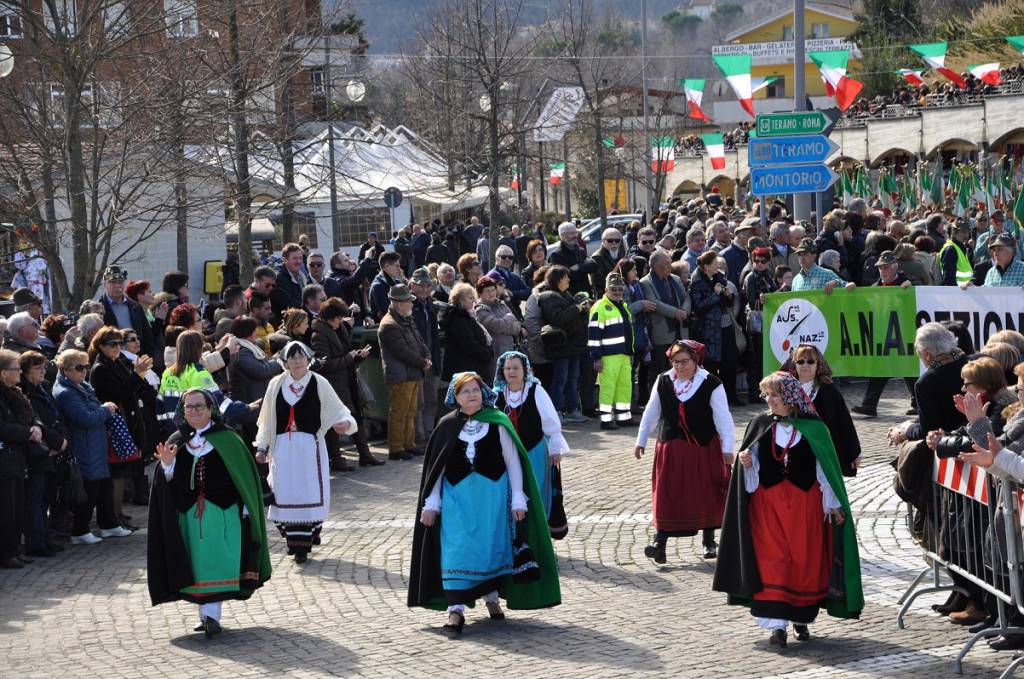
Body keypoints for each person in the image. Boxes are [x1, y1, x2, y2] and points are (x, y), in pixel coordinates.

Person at [714, 371, 863, 649]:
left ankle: (800, 618)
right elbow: (752, 471)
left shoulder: (815, 428)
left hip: (804, 509)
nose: (770, 400)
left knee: (802, 562)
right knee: (773, 562)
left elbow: (824, 470)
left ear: (791, 398)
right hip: (767, 507)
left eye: (775, 395)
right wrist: (747, 462)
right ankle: (777, 626)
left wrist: (832, 504)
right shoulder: (760, 424)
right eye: (767, 395)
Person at [407, 372, 561, 638]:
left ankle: (491, 597)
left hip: (492, 501)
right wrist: (431, 503)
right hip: (457, 501)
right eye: (465, 391)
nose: (472, 395)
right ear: (455, 396)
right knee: (457, 550)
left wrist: (518, 497)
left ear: (484, 393)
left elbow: (513, 460)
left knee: (490, 548)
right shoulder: (446, 426)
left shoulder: (497, 421)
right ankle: (455, 609)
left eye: (476, 390)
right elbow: (437, 468)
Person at [147, 388, 272, 638]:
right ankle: (205, 614)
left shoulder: (229, 439)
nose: (193, 411)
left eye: (198, 406)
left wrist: (248, 507)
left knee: (218, 563)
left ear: (210, 409)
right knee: (196, 566)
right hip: (189, 516)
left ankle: (212, 615)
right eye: (188, 407)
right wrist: (167, 465)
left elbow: (244, 478)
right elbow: (169, 484)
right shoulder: (176, 440)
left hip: (223, 515)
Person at [925, 356, 1016, 626]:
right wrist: (942, 438)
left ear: (984, 384)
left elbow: (982, 443)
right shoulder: (983, 407)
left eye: (968, 384)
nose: (964, 389)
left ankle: (997, 612)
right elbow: (961, 434)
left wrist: (945, 443)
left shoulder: (1002, 410)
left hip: (996, 500)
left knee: (997, 557)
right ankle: (983, 604)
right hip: (979, 500)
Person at [254, 342, 355, 563]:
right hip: (282, 449)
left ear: (308, 359)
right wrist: (262, 447)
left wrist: (346, 424)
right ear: (285, 361)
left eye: (301, 357)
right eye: (292, 358)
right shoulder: (276, 384)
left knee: (309, 492)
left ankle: (304, 542)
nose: (297, 361)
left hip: (310, 447)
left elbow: (340, 410)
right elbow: (266, 421)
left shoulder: (319, 382)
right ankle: (295, 541)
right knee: (283, 493)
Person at [635, 340, 734, 563]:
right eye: (675, 362)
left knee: (706, 491)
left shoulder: (711, 383)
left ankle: (709, 541)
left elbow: (723, 418)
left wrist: (728, 449)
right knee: (667, 494)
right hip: (671, 449)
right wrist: (641, 440)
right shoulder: (663, 381)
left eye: (684, 362)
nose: (679, 367)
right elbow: (651, 412)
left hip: (703, 448)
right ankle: (659, 543)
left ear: (696, 361)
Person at [52, 349, 131, 545]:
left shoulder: (83, 387)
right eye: (79, 367)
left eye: (85, 366)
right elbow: (85, 418)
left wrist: (102, 410)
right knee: (89, 488)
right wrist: (105, 410)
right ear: (66, 369)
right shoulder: (66, 392)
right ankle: (80, 529)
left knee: (103, 485)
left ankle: (108, 524)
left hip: (95, 444)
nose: (84, 371)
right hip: (84, 445)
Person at [88, 326, 157, 530]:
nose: (117, 347)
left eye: (119, 343)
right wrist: (137, 374)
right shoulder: (101, 367)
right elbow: (119, 392)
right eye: (112, 344)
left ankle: (117, 514)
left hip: (126, 421)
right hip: (112, 425)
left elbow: (134, 388)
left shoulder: (117, 362)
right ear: (101, 346)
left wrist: (140, 374)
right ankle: (112, 517)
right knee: (115, 474)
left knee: (121, 472)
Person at [493, 352, 569, 530]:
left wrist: (555, 448)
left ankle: (537, 534)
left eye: (516, 368)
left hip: (534, 451)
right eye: (508, 368)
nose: (512, 372)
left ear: (525, 370)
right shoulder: (496, 394)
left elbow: (551, 421)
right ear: (502, 371)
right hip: (505, 454)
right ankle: (513, 535)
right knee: (509, 493)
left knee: (536, 492)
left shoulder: (535, 390)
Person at [310, 298, 383, 468]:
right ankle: (337, 459)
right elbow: (324, 365)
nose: (340, 321)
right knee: (336, 421)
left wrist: (356, 356)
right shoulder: (318, 335)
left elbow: (346, 354)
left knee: (356, 416)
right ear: (329, 317)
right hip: (333, 384)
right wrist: (348, 358)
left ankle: (365, 455)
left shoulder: (340, 329)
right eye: (338, 318)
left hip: (348, 380)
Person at [781, 345, 861, 476]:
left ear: (818, 364)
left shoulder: (828, 389)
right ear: (794, 364)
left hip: (821, 453)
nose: (805, 365)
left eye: (810, 361)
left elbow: (843, 420)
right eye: (800, 361)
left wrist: (854, 453)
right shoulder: (785, 389)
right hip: (793, 451)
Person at [19, 351, 69, 558]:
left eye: (43, 367)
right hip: (39, 453)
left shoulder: (43, 387)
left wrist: (63, 440)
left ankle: (45, 538)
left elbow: (56, 416)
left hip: (53, 449)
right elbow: (36, 421)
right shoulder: (24, 392)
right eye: (38, 368)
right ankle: (36, 542)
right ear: (25, 371)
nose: (43, 371)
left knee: (47, 497)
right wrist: (56, 442)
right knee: (36, 499)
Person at [378, 284, 432, 461]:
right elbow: (401, 351)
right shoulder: (389, 325)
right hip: (401, 375)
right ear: (399, 303)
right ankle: (396, 448)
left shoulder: (405, 319)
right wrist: (423, 362)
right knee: (399, 412)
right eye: (409, 301)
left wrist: (426, 355)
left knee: (410, 411)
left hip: (412, 373)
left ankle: (409, 444)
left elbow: (419, 341)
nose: (411, 304)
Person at [535, 266, 589, 422]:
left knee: (573, 379)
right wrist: (576, 308)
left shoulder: (564, 294)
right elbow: (557, 318)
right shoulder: (549, 297)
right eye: (566, 277)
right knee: (560, 380)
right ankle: (557, 411)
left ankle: (572, 410)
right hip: (561, 346)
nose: (569, 280)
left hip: (573, 346)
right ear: (558, 279)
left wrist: (582, 308)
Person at [0, 349, 37, 567]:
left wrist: (34, 428)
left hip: (17, 457)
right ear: (3, 373)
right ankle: (6, 553)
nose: (20, 373)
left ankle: (14, 548)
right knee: (6, 508)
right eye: (15, 369)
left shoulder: (15, 394)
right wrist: (27, 433)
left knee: (17, 506)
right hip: (5, 458)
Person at [689, 251, 741, 405]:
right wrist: (715, 294)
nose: (718, 267)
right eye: (714, 265)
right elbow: (699, 307)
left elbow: (729, 303)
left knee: (730, 363)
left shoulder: (720, 278)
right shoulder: (697, 283)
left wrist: (728, 295)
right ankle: (712, 399)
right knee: (711, 365)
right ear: (706, 267)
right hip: (710, 329)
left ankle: (731, 395)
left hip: (726, 325)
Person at [588, 273, 635, 429]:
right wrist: (596, 358)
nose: (617, 292)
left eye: (620, 289)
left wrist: (630, 353)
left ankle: (623, 417)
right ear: (606, 289)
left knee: (624, 386)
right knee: (608, 388)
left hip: (623, 355)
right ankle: (606, 420)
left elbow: (629, 332)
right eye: (614, 289)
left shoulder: (623, 306)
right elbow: (593, 335)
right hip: (608, 356)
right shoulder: (599, 307)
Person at [640, 251, 690, 393]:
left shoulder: (675, 279)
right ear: (657, 267)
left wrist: (684, 311)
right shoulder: (646, 282)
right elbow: (654, 303)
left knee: (679, 366)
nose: (670, 266)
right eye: (667, 263)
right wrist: (676, 313)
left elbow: (686, 297)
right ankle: (659, 399)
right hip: (661, 333)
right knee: (660, 369)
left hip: (680, 331)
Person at [410, 269, 442, 448]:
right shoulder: (409, 305)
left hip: (432, 357)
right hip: (417, 361)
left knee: (432, 398)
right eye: (421, 285)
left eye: (427, 285)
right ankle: (419, 436)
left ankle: (429, 432)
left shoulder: (431, 304)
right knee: (418, 402)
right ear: (412, 286)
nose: (424, 289)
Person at [100, 265, 157, 364]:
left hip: (137, 361)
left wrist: (149, 360)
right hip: (113, 362)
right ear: (105, 284)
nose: (117, 285)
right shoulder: (99, 309)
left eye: (120, 282)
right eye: (113, 282)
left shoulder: (135, 306)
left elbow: (147, 337)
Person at [442, 283, 493, 382]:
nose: (474, 300)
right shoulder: (457, 318)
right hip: (466, 370)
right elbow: (469, 343)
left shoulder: (468, 315)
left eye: (474, 297)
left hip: (473, 367)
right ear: (461, 301)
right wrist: (486, 354)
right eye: (470, 298)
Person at [474, 277, 521, 380]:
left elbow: (517, 327)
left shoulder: (502, 304)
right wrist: (508, 318)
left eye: (492, 290)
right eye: (487, 291)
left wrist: (505, 326)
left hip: (510, 351)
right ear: (480, 293)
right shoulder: (480, 310)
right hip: (495, 354)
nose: (491, 293)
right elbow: (496, 326)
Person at [548, 221, 597, 295]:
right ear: (563, 236)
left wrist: (579, 267)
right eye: (572, 233)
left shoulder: (580, 250)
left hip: (586, 293)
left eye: (575, 232)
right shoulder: (556, 255)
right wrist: (584, 267)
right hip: (570, 295)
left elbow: (593, 266)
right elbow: (565, 276)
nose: (575, 236)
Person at [791, 239, 856, 294]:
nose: (801, 258)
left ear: (814, 256)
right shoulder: (796, 280)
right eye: (799, 255)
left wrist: (836, 282)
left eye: (805, 254)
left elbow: (847, 286)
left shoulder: (826, 274)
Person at [271, 243, 311, 321]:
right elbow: (289, 304)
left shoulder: (302, 276)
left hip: (301, 320)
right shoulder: (279, 278)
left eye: (300, 258)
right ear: (285, 260)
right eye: (295, 258)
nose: (299, 261)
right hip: (286, 323)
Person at [369, 251, 405, 322]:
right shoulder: (378, 287)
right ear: (386, 266)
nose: (399, 269)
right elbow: (387, 311)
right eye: (397, 266)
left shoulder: (397, 282)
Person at [588, 228, 625, 297]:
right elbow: (600, 282)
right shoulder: (597, 257)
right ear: (603, 241)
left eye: (617, 241)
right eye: (610, 241)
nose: (614, 243)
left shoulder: (620, 253)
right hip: (604, 296)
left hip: (619, 294)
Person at [939, 221, 973, 287]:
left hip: (964, 291)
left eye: (967, 232)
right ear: (954, 233)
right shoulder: (951, 250)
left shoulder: (961, 247)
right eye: (963, 232)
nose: (966, 235)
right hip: (956, 292)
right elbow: (949, 278)